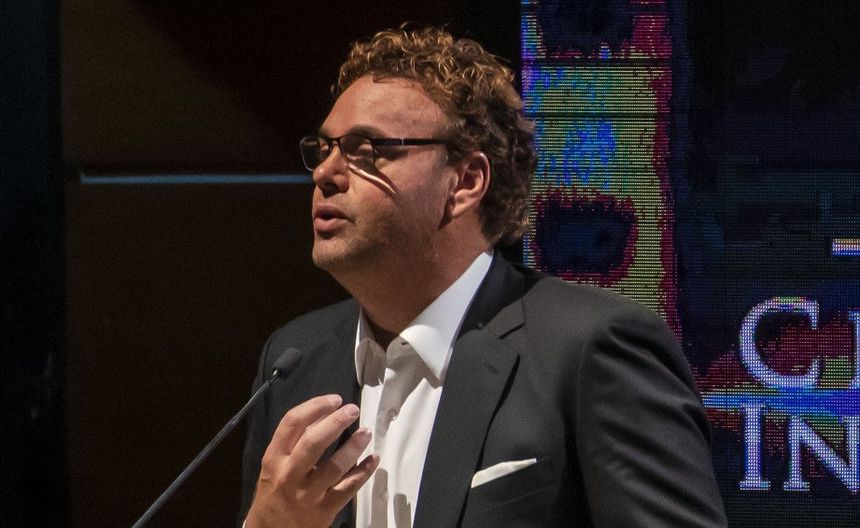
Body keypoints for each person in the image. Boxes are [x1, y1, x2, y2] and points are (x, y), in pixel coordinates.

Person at [239, 26, 727, 528]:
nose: (325, 172)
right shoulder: (295, 360)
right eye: (324, 149)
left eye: (366, 150)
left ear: (466, 182)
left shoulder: (591, 348)